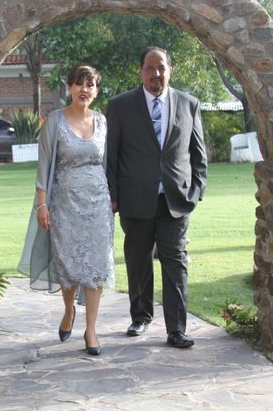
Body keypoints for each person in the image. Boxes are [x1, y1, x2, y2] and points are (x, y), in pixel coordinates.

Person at [106, 46, 207, 348]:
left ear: (170, 70)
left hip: (175, 201)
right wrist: (113, 196)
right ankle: (141, 316)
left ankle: (177, 329)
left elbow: (198, 154)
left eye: (161, 67)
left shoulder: (189, 104)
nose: (156, 74)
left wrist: (196, 191)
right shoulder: (121, 106)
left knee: (175, 263)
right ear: (141, 71)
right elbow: (111, 157)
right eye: (150, 68)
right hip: (135, 199)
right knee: (138, 262)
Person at [18, 64, 114, 356]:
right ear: (70, 87)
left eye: (91, 85)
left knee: (96, 266)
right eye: (79, 84)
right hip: (64, 203)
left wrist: (113, 201)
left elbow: (107, 163)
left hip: (98, 204)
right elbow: (44, 163)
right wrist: (42, 203)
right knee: (69, 266)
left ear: (96, 91)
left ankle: (91, 330)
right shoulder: (55, 121)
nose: (85, 90)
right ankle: (69, 310)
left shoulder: (103, 121)